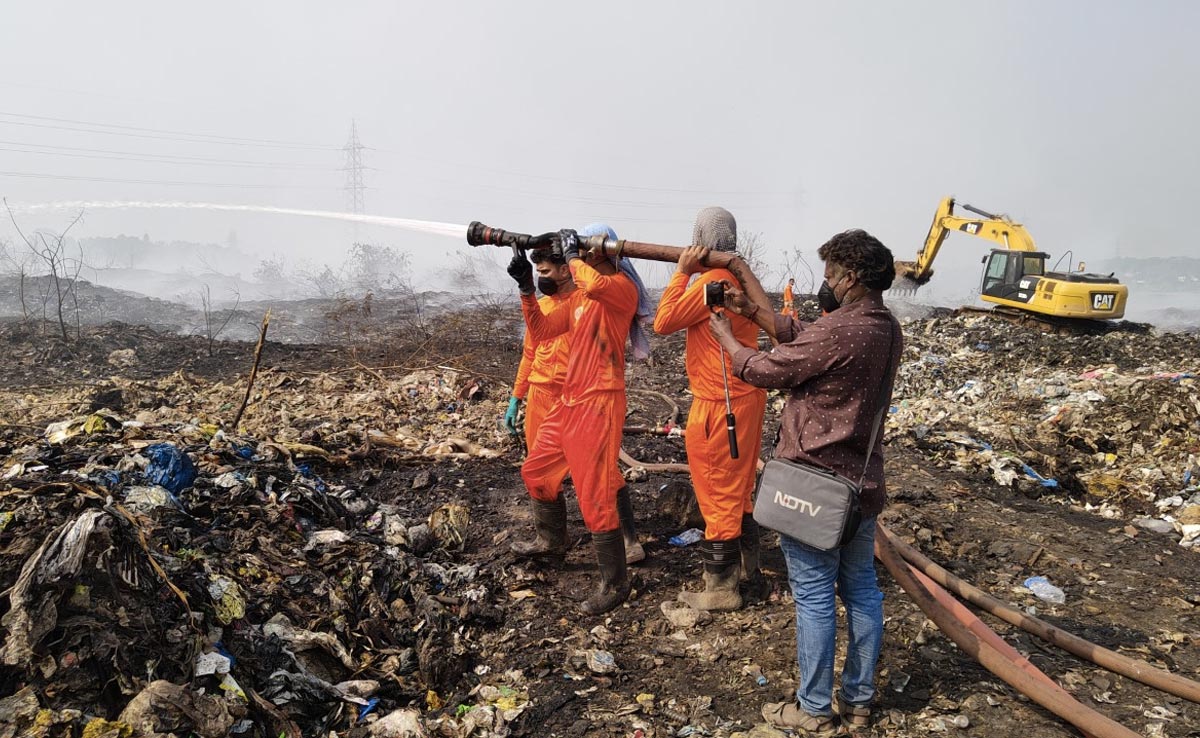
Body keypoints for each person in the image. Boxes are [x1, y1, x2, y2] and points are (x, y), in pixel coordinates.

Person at [709, 229, 902, 734]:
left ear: (851, 277)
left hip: (814, 487)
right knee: (861, 590)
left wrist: (728, 339)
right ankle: (858, 700)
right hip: (861, 486)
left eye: (831, 275)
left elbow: (765, 369)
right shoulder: (882, 325)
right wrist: (752, 311)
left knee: (815, 596)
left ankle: (813, 709)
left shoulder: (842, 331)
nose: (826, 283)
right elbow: (807, 338)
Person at [507, 223, 651, 614]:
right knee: (536, 470)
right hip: (569, 402)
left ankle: (615, 583)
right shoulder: (580, 302)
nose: (582, 258)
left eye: (587, 251)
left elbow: (597, 284)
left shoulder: (620, 289)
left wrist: (573, 257)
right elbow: (541, 330)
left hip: (600, 401)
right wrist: (525, 290)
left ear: (603, 253)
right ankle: (551, 541)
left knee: (595, 493)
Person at [652, 206, 767, 611]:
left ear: (700, 238)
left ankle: (721, 589)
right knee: (739, 490)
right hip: (747, 398)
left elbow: (662, 321)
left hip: (720, 405)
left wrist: (682, 271)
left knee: (717, 490)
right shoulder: (739, 277)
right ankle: (751, 569)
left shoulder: (713, 282)